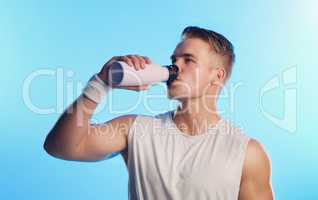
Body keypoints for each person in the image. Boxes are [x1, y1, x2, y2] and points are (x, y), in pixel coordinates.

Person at [44, 26, 274, 199]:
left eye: (188, 60)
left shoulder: (247, 153)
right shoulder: (135, 130)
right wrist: (101, 83)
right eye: (174, 60)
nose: (174, 68)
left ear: (218, 75)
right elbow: (61, 147)